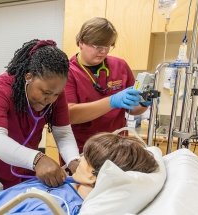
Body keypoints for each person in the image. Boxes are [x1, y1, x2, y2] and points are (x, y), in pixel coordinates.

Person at [0, 132, 159, 214]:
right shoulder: (69, 182)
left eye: (84, 157)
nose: (78, 158)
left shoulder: (59, 208)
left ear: (93, 175)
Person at [0, 39, 81, 189]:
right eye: (46, 92)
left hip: (28, 170)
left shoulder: (55, 94)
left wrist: (74, 160)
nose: (50, 100)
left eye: (56, 94)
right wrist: (37, 159)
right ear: (28, 77)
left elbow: (63, 133)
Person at [64, 17, 149, 153]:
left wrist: (143, 103)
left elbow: (132, 109)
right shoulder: (67, 71)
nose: (103, 51)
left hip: (118, 147)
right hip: (83, 149)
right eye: (97, 46)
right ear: (81, 43)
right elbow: (70, 114)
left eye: (108, 45)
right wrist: (112, 101)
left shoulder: (120, 66)